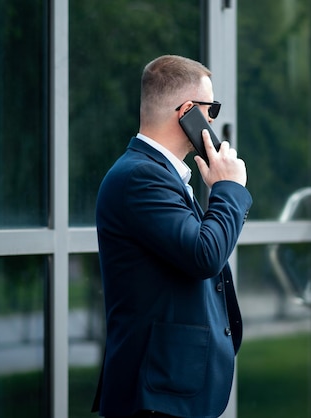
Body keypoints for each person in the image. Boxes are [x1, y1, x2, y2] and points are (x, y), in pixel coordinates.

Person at [92, 55, 252, 418]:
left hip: (169, 388)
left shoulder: (160, 175)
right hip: (157, 394)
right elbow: (204, 254)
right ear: (187, 112)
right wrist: (228, 188)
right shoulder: (140, 177)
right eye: (211, 111)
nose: (213, 121)